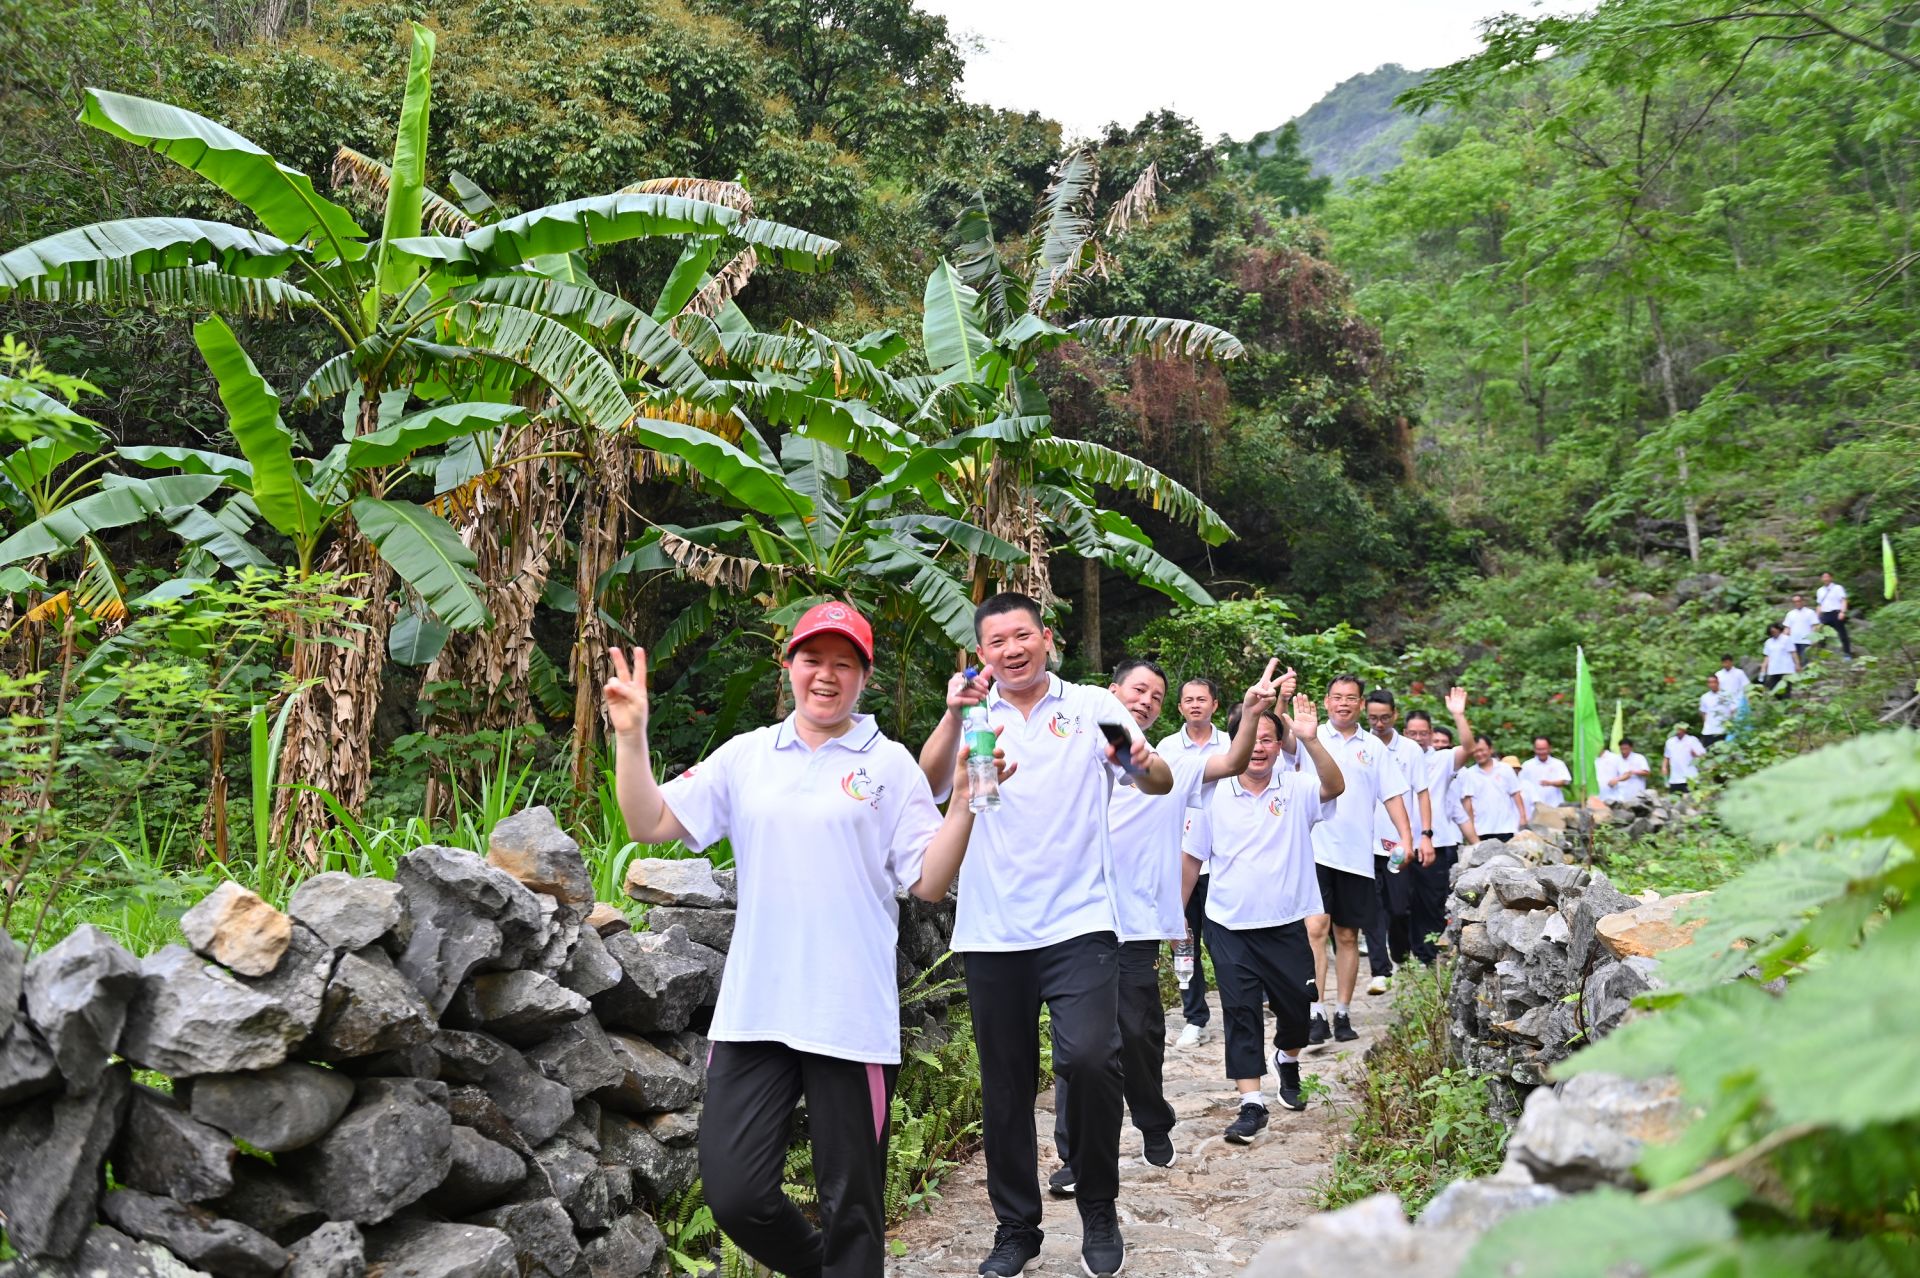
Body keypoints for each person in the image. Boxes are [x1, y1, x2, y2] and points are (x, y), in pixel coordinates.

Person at [604, 602, 1002, 1278]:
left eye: (843, 663)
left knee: (852, 1207)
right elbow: (649, 821)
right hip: (756, 1011)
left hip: (849, 1017)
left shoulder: (891, 765)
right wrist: (632, 735)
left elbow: (929, 882)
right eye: (812, 659)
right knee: (735, 1195)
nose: (826, 675)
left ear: (863, 677)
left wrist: (962, 802)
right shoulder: (748, 756)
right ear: (787, 666)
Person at [917, 592, 1171, 1278]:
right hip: (993, 931)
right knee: (1004, 1087)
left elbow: (1150, 778)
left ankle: (1097, 1206)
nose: (1011, 649)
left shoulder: (1090, 708)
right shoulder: (975, 716)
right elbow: (927, 786)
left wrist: (1143, 762)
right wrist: (952, 712)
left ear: (1047, 637)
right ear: (981, 653)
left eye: (1022, 635)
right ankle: (1016, 1230)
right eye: (996, 642)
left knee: (1091, 1059)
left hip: (1080, 922)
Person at [1048, 659, 1278, 1192]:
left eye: (1156, 695)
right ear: (1111, 693)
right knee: (1077, 1048)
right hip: (1076, 921)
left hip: (1135, 924)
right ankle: (1077, 1157)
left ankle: (1153, 1120)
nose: (1146, 701)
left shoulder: (1172, 760)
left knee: (1138, 1034)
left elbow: (1236, 760)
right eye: (1138, 690)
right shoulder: (1075, 751)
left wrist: (1249, 714)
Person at [1183, 694, 1344, 1143]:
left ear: (1277, 745)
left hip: (1286, 923)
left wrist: (1310, 741)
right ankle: (1251, 1102)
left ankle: (1288, 1059)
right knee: (1239, 1012)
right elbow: (1191, 860)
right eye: (1251, 737)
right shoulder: (1211, 795)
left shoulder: (1296, 787)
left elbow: (1334, 786)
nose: (1259, 747)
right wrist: (1177, 917)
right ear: (1237, 740)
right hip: (1228, 924)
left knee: (1297, 1014)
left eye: (1269, 739)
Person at [1305, 675, 1413, 1046]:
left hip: (1356, 855)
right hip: (1315, 850)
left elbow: (1393, 794)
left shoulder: (1374, 747)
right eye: (1337, 697)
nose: (1344, 704)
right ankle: (1315, 1010)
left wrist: (1407, 836)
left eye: (1351, 698)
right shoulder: (1309, 737)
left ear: (1361, 704)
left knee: (1347, 936)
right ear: (1326, 700)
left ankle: (1343, 1011)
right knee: (1315, 930)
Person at [1160, 676, 1225, 1052]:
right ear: (1181, 707)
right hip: (1180, 854)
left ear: (1215, 704)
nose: (1195, 704)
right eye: (1188, 700)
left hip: (1222, 859)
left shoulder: (1232, 745)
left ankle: (1237, 1007)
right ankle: (1194, 1017)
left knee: (1224, 942)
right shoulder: (1167, 747)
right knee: (1182, 940)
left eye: (1202, 698)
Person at [1361, 689, 1433, 994]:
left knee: (1399, 907)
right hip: (1362, 842)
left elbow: (1422, 793)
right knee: (1371, 908)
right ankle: (1381, 969)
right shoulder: (1359, 745)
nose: (1378, 723)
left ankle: (1401, 957)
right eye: (1373, 717)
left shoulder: (1410, 750)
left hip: (1397, 844)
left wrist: (1425, 836)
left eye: (1385, 717)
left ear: (1395, 715)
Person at [1402, 688, 1475, 966]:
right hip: (1399, 840)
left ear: (1431, 733)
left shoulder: (1442, 759)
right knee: (1402, 903)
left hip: (1438, 841)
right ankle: (1404, 953)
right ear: (1405, 732)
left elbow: (1468, 747)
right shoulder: (1395, 756)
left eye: (1423, 733)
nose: (1419, 738)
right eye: (1413, 733)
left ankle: (1427, 955)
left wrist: (1459, 714)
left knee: (1433, 901)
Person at [1461, 735, 1527, 841]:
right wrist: (1471, 829)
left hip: (1506, 827)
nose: (1479, 754)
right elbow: (1468, 803)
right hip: (1481, 829)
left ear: (1491, 749)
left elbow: (1516, 793)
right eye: (1475, 751)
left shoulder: (1505, 769)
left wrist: (1523, 818)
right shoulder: (1469, 774)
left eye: (1482, 750)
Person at [1518, 736, 1572, 809]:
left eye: (1544, 749)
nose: (1541, 752)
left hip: (1555, 806)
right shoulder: (1527, 765)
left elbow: (1565, 781)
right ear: (1534, 749)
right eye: (1538, 749)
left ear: (1550, 748)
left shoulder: (1558, 764)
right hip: (1534, 807)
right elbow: (1520, 785)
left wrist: (1550, 783)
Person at [1816, 571, 1853, 658]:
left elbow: (1843, 600)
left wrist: (1842, 612)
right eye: (1824, 577)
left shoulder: (1838, 588)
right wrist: (1817, 618)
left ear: (1831, 578)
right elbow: (1819, 605)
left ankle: (1847, 654)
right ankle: (1821, 656)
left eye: (1827, 576)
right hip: (1825, 614)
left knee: (1842, 634)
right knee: (1822, 636)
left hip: (1836, 613)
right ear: (1821, 579)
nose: (1825, 579)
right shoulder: (1820, 591)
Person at [1662, 722, 1706, 793]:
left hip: (1691, 777)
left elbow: (1702, 755)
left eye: (1680, 729)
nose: (1678, 731)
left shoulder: (1692, 740)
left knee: (1691, 800)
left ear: (1684, 730)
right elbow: (1666, 757)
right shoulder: (1670, 742)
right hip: (1675, 779)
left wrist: (1695, 754)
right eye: (1676, 729)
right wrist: (1664, 768)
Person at [1698, 675, 1737, 748]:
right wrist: (1706, 723)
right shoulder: (1704, 697)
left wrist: (1731, 724)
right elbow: (1703, 712)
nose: (1712, 684)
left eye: (1714, 682)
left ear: (1718, 683)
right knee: (1710, 753)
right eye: (1710, 682)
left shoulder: (1726, 694)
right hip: (1709, 731)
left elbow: (1734, 710)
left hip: (1723, 730)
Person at [1762, 623, 1800, 696]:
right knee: (1773, 688)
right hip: (1773, 669)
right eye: (1771, 632)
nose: (1773, 633)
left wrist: (1797, 664)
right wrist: (1764, 667)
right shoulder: (1768, 642)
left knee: (1786, 688)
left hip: (1786, 668)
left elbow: (1793, 652)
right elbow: (1767, 656)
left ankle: (1786, 702)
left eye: (1774, 631)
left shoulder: (1786, 639)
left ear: (1779, 630)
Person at [1783, 594, 1820, 662]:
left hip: (1806, 641)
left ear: (1803, 601)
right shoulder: (1790, 614)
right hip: (1793, 641)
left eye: (1799, 601)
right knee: (1794, 662)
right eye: (1795, 601)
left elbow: (1814, 626)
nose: (1797, 603)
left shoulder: (1810, 612)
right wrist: (1783, 640)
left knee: (1805, 661)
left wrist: (1814, 639)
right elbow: (1787, 628)